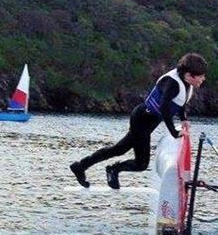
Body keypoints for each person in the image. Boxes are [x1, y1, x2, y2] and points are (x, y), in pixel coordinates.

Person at [70, 53, 207, 189]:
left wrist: (184, 119)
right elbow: (164, 107)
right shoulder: (172, 83)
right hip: (142, 119)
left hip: (147, 121)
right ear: (189, 75)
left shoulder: (185, 82)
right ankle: (112, 169)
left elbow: (180, 101)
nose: (203, 79)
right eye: (200, 76)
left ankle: (82, 166)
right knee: (140, 164)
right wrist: (174, 133)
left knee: (119, 149)